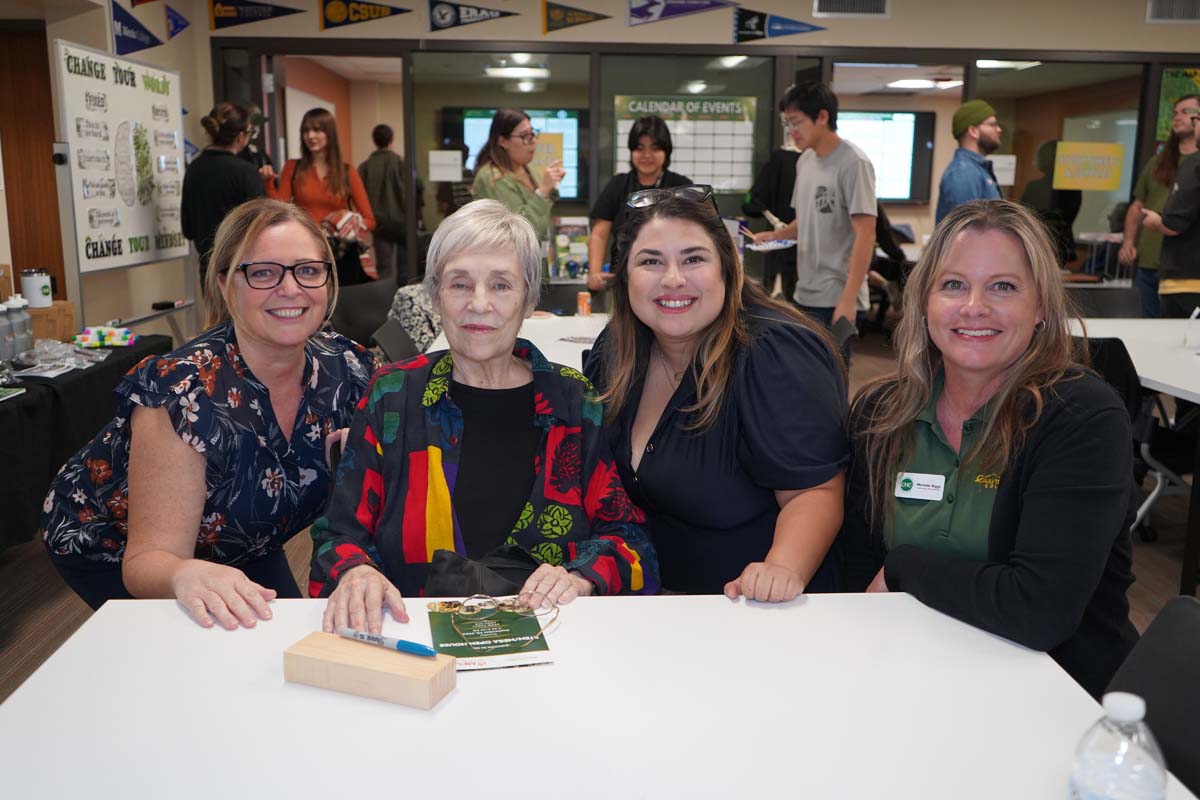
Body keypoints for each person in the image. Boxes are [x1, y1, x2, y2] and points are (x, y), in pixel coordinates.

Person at [310, 199, 658, 634]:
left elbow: (630, 541)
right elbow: (337, 535)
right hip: (415, 647)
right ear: (436, 296)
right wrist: (355, 572)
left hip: (556, 644)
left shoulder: (572, 402)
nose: (479, 304)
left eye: (500, 285)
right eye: (459, 284)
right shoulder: (392, 396)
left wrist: (580, 576)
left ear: (529, 299)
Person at [838, 199, 1138, 698]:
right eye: (953, 285)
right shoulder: (881, 413)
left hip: (1055, 694)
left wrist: (904, 568)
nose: (974, 306)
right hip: (905, 672)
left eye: (1003, 286)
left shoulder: (1080, 417)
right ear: (924, 302)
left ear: (1040, 306)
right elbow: (852, 569)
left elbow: (1038, 611)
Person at [40, 198, 377, 625]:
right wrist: (183, 574)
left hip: (245, 534)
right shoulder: (184, 393)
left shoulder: (350, 369)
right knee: (194, 670)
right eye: (263, 272)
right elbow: (147, 561)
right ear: (224, 283)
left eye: (307, 270)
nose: (290, 289)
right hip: (119, 547)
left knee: (279, 643)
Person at [585, 185, 848, 601]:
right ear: (625, 276)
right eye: (651, 261)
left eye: (693, 259)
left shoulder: (773, 355)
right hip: (651, 606)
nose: (673, 279)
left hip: (752, 612)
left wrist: (780, 568)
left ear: (727, 267)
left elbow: (814, 492)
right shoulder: (617, 350)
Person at [752, 81, 876, 362]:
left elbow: (866, 235)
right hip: (805, 292)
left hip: (837, 296)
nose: (792, 131)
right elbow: (804, 223)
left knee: (830, 380)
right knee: (802, 375)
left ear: (822, 117)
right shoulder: (805, 161)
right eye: (788, 124)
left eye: (796, 122)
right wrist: (775, 235)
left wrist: (848, 300)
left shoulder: (854, 163)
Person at [263, 108, 377, 286]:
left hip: (341, 252)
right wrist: (269, 183)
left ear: (329, 133)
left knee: (342, 306)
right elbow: (280, 211)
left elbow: (370, 220)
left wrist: (346, 223)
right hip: (306, 248)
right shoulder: (292, 167)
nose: (310, 136)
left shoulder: (347, 172)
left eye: (317, 130)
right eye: (306, 131)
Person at [587, 115, 692, 294]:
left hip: (671, 281)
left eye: (655, 148)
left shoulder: (682, 186)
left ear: (666, 152)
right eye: (639, 148)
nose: (647, 155)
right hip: (623, 282)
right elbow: (599, 234)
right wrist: (594, 273)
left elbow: (694, 234)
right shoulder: (618, 184)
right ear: (631, 151)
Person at [1125, 94, 1200, 317]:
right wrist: (1128, 242)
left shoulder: (1196, 163)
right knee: (1148, 330)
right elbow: (1137, 205)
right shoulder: (1158, 162)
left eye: (1186, 112)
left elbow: (1174, 223)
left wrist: (1161, 222)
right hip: (1150, 261)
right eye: (1175, 112)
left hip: (1187, 271)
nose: (1178, 117)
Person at [181, 102, 265, 285]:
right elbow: (261, 228)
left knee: (216, 315)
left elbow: (187, 229)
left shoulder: (194, 169)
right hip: (243, 270)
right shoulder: (246, 172)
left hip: (208, 270)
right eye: (249, 133)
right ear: (240, 136)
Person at [470, 109, 564, 249]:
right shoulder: (492, 177)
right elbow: (521, 231)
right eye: (524, 136)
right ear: (503, 141)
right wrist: (544, 190)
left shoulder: (526, 168)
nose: (532, 141)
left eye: (533, 133)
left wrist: (552, 186)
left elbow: (544, 210)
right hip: (506, 257)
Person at [743, 141, 801, 300]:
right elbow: (750, 200)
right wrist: (776, 224)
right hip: (780, 238)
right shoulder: (781, 158)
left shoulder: (819, 163)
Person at [935, 99, 1003, 223]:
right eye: (992, 125)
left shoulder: (976, 169)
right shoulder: (964, 172)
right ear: (973, 131)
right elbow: (966, 230)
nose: (999, 129)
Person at [358, 123, 408, 282]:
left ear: (374, 140)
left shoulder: (365, 167)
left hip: (379, 224)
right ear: (391, 139)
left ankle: (385, 304)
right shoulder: (401, 163)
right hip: (402, 222)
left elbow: (360, 197)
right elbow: (417, 187)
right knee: (406, 270)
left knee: (384, 269)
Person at [1020, 140, 1082, 267]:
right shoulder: (1073, 189)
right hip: (1061, 244)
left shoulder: (1035, 187)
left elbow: (1023, 216)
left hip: (1038, 242)